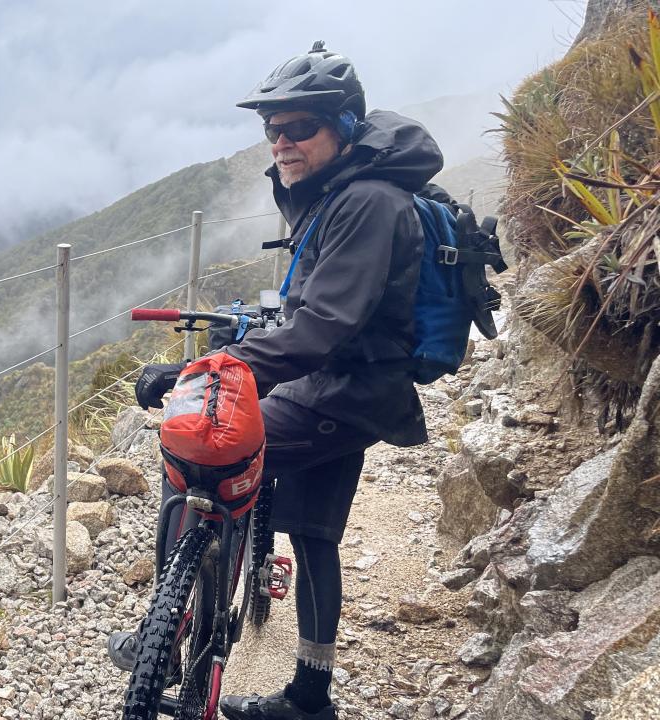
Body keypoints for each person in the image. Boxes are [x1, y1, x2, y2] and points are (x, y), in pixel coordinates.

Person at [107, 42, 444, 720]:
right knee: (314, 534)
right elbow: (314, 307)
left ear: (343, 127)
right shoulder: (338, 191)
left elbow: (322, 325)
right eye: (272, 129)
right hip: (352, 384)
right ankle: (310, 698)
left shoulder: (367, 203)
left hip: (343, 390)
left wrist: (209, 367)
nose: (281, 142)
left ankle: (164, 635)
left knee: (193, 456)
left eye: (300, 128)